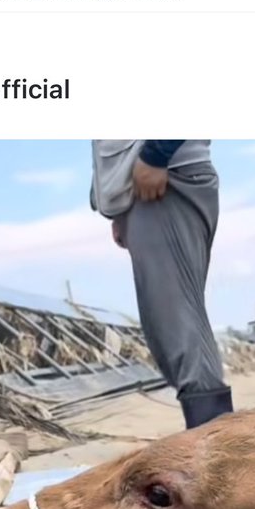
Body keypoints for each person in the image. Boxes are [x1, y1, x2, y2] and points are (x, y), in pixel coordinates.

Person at [91, 140, 232, 428]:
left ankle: (219, 457)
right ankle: (214, 448)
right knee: (170, 329)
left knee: (181, 332)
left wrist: (156, 154)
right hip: (149, 185)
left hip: (166, 177)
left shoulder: (159, 160)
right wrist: (118, 208)